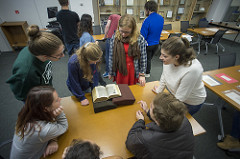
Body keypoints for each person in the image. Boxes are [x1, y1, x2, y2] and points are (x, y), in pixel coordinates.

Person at [125, 92, 194, 159]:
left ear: (157, 120)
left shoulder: (147, 139)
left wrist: (140, 120)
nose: (149, 105)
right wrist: (148, 111)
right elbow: (166, 118)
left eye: (151, 107)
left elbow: (130, 142)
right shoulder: (183, 119)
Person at [6, 25, 64, 102]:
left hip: (43, 86)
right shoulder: (27, 73)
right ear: (45, 56)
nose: (63, 55)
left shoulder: (38, 48)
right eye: (59, 55)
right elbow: (25, 96)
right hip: (33, 97)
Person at [10, 86, 68, 159]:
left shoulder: (27, 113)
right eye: (57, 100)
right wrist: (60, 113)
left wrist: (52, 140)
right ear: (45, 108)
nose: (60, 99)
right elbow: (64, 126)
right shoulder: (42, 130)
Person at [153, 37, 206, 115]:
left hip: (190, 102)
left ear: (176, 57)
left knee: (177, 122)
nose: (160, 58)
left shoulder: (192, 70)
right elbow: (165, 75)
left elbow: (180, 97)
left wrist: (163, 109)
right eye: (161, 54)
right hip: (176, 95)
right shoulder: (169, 61)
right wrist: (159, 90)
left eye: (164, 56)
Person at [108, 14, 147, 86]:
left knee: (132, 89)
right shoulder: (115, 37)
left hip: (132, 69)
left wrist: (142, 74)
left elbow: (143, 58)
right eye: (121, 31)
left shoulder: (139, 38)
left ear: (133, 30)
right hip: (120, 68)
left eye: (126, 32)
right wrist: (110, 71)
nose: (123, 34)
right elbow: (111, 56)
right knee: (121, 89)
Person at [78, 13, 106, 86]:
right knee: (94, 74)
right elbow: (89, 50)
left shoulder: (83, 33)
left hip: (88, 59)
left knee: (95, 72)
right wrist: (96, 44)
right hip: (89, 59)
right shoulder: (87, 36)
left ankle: (101, 82)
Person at [140, 1, 164, 78]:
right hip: (157, 44)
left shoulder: (147, 20)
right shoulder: (161, 18)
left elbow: (142, 36)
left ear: (148, 9)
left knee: (147, 59)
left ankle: (146, 73)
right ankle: (147, 71)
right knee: (149, 59)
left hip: (148, 44)